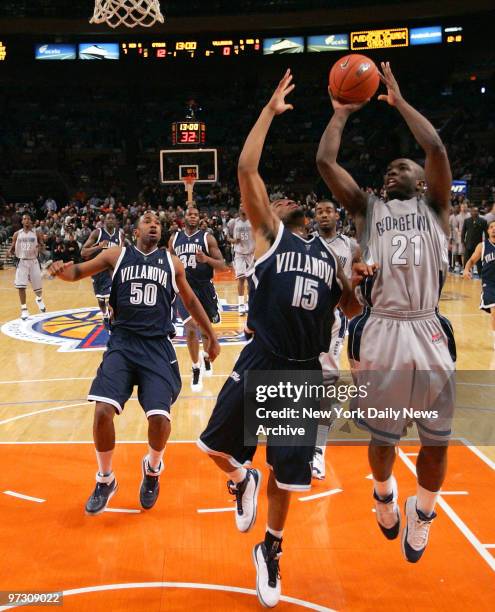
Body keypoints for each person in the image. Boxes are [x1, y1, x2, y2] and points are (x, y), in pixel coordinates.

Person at [198, 70, 363, 608]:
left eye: (308, 203)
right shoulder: (270, 238)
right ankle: (239, 479)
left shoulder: (333, 259)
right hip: (262, 357)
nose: (297, 203)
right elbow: (247, 168)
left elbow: (350, 310)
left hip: (301, 371)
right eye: (289, 200)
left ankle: (270, 549)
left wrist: (359, 289)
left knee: (288, 476)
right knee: (211, 447)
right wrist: (268, 112)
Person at [317, 61, 456, 563]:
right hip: (380, 332)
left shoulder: (436, 208)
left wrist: (398, 101)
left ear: (421, 182)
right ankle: (383, 494)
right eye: (387, 169)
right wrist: (340, 113)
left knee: (437, 441)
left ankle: (423, 514)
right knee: (383, 437)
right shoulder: (367, 209)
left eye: (402, 167)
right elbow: (327, 164)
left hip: (427, 327)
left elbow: (435, 147)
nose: (390, 171)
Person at [49, 211, 220, 515]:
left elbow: (191, 301)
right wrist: (60, 270)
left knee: (159, 419)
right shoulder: (117, 254)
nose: (153, 224)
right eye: (147, 220)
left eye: (158, 222)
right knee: (102, 410)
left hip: (157, 346)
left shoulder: (171, 262)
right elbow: (77, 272)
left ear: (161, 230)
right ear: (137, 228)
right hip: (123, 343)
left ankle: (152, 470)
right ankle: (105, 479)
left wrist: (212, 335)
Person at [312, 200, 361, 479]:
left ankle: (318, 450)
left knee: (326, 384)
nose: (324, 214)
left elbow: (357, 279)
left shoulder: (351, 246)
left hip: (333, 321)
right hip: (306, 321)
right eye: (319, 211)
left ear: (337, 215)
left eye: (328, 210)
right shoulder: (306, 244)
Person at [169, 206, 226, 392]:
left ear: (199, 217)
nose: (192, 217)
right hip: (185, 289)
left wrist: (206, 260)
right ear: (183, 217)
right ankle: (195, 367)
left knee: (205, 331)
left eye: (195, 214)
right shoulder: (174, 239)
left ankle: (207, 357)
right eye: (189, 214)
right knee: (191, 328)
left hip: (204, 289)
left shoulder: (207, 238)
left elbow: (222, 265)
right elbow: (169, 264)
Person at [81, 212, 125, 327]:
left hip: (111, 271)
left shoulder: (119, 235)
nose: (110, 220)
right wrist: (99, 246)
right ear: (104, 221)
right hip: (97, 270)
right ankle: (105, 314)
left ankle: (114, 321)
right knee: (101, 300)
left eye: (113, 218)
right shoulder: (97, 233)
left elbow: (123, 253)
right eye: (108, 218)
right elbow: (83, 252)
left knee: (112, 297)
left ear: (116, 221)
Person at [8, 212, 46, 320]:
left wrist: (41, 246)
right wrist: (9, 252)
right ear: (22, 221)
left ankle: (38, 299)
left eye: (28, 219)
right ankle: (24, 309)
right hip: (22, 262)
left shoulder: (37, 233)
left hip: (34, 261)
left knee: (38, 289)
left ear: (31, 221)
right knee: (21, 286)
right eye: (25, 219)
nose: (27, 220)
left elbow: (43, 246)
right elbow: (12, 247)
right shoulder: (17, 234)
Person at [464, 220, 495, 349]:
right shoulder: (482, 246)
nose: (494, 229)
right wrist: (466, 269)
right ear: (487, 231)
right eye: (492, 227)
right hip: (490, 284)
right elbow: (471, 260)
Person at [230, 204, 255, 315]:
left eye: (245, 205)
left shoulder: (253, 221)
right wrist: (234, 240)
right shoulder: (233, 222)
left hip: (251, 253)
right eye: (241, 206)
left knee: (250, 279)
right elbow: (228, 237)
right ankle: (240, 304)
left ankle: (250, 303)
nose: (243, 207)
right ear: (239, 209)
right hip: (239, 253)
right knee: (241, 278)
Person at [462, 207, 488, 277]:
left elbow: (486, 233)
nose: (474, 213)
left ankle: (480, 274)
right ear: (470, 212)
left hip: (478, 245)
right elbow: (463, 233)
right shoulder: (466, 221)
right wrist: (463, 242)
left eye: (476, 211)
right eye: (473, 211)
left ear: (478, 212)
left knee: (479, 260)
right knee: (467, 259)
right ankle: (466, 273)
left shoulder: (483, 221)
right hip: (468, 244)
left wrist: (486, 243)